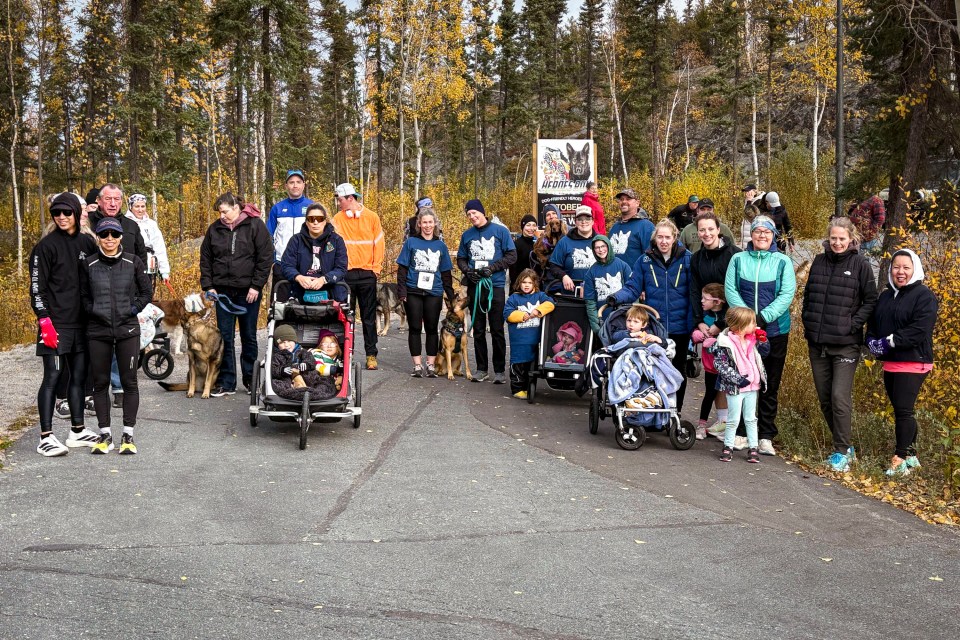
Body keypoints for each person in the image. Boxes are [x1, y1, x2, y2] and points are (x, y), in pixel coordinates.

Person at [800, 217, 877, 471]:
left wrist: (852, 325)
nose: (837, 242)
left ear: (851, 239)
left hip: (846, 344)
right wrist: (808, 323)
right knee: (824, 399)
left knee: (839, 397)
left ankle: (841, 452)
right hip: (818, 343)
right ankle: (845, 445)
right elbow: (809, 294)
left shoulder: (860, 265)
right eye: (833, 238)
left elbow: (871, 301)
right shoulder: (820, 261)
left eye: (842, 238)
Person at [30, 194, 101, 456]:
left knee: (79, 378)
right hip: (55, 324)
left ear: (75, 213)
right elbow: (37, 287)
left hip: (82, 323)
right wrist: (43, 319)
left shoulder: (87, 242)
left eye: (66, 213)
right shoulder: (45, 247)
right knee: (52, 377)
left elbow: (99, 277)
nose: (61, 217)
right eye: (56, 213)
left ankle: (78, 430)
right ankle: (45, 436)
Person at [724, 215, 796, 456]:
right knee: (744, 383)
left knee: (769, 384)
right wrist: (747, 321)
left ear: (773, 235)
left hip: (774, 331)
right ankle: (743, 433)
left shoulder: (782, 261)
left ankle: (765, 435)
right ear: (751, 235)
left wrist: (762, 318)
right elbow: (731, 290)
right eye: (757, 231)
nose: (762, 235)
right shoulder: (738, 259)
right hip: (743, 334)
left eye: (767, 232)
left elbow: (787, 294)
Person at [80, 217, 153, 455]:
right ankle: (105, 434)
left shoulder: (133, 261)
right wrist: (94, 311)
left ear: (121, 236)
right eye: (104, 235)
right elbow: (82, 296)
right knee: (100, 383)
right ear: (98, 238)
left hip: (127, 330)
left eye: (113, 234)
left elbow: (146, 292)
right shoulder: (89, 264)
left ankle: (128, 435)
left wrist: (131, 310)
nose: (109, 239)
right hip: (98, 331)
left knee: (129, 382)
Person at [609, 219, 694, 414]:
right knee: (653, 369)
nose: (663, 241)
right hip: (655, 326)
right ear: (655, 238)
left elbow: (694, 292)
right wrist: (616, 297)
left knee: (677, 369)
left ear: (674, 238)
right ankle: (653, 410)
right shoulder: (644, 260)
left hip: (680, 326)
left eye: (667, 237)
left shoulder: (687, 259)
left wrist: (695, 322)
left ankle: (675, 411)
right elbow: (632, 287)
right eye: (660, 237)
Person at [866, 249, 938, 477]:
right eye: (896, 267)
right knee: (901, 410)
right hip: (891, 362)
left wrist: (890, 341)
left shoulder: (924, 296)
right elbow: (874, 323)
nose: (901, 272)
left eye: (906, 267)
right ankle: (912, 456)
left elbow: (919, 329)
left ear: (914, 269)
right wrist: (871, 341)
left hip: (914, 360)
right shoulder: (886, 296)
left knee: (903, 411)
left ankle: (899, 458)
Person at [200, 192, 273, 397]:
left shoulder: (255, 226)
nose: (222, 215)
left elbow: (265, 257)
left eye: (225, 211)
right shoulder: (214, 229)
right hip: (222, 292)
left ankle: (251, 380)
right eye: (220, 212)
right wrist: (209, 286)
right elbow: (205, 259)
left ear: (236, 207)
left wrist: (256, 286)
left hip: (248, 291)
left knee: (249, 336)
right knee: (225, 337)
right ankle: (227, 381)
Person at [89, 183, 149, 408]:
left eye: (117, 199)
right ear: (100, 201)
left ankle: (120, 387)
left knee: (123, 349)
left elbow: (142, 258)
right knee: (98, 350)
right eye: (108, 199)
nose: (113, 203)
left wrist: (141, 302)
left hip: (128, 299)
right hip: (98, 299)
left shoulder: (131, 226)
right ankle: (94, 393)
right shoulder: (88, 224)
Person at [456, 198, 517, 384]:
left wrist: (493, 267)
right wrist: (468, 271)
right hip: (476, 287)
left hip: (495, 286)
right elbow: (461, 258)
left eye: (474, 213)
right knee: (479, 328)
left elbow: (511, 255)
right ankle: (482, 369)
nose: (472, 216)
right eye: (469, 214)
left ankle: (499, 370)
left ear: (482, 212)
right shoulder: (467, 235)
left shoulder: (500, 231)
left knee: (497, 329)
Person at [396, 207, 455, 378]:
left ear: (435, 223)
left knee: (431, 328)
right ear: (419, 224)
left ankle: (430, 364)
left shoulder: (440, 246)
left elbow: (446, 273)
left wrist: (450, 296)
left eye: (430, 222)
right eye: (424, 223)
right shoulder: (411, 243)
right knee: (414, 327)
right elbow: (402, 269)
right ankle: (417, 365)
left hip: (434, 292)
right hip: (413, 290)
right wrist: (402, 291)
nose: (428, 226)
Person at [332, 183, 385, 370]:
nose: (338, 203)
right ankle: (346, 354)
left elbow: (379, 244)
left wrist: (375, 270)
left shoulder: (372, 217)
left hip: (367, 275)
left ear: (350, 198)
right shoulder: (337, 219)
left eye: (340, 200)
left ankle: (371, 355)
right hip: (345, 276)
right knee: (346, 317)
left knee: (369, 317)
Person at [711, 307, 771, 464]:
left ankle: (753, 447)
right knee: (733, 419)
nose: (755, 326)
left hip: (752, 386)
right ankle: (728, 446)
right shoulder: (724, 342)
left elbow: (764, 353)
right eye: (752, 323)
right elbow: (720, 365)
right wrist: (737, 379)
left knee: (751, 418)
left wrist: (763, 340)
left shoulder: (753, 339)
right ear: (739, 326)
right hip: (736, 387)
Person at [280, 202, 348, 303]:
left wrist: (324, 279)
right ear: (306, 222)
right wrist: (298, 277)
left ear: (325, 221)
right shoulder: (296, 240)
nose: (315, 222)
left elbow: (341, 268)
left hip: (331, 293)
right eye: (311, 219)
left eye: (319, 219)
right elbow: (286, 265)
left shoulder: (336, 240)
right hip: (301, 293)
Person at [689, 211, 741, 340]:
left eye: (711, 229)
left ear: (718, 229)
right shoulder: (696, 258)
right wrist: (699, 321)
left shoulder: (735, 255)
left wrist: (721, 323)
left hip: (732, 321)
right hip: (707, 321)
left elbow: (739, 291)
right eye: (702, 230)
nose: (707, 234)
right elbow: (694, 290)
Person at [504, 269, 555, 399]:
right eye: (523, 282)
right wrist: (523, 315)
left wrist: (537, 311)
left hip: (535, 340)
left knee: (531, 366)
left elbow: (551, 303)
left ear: (534, 284)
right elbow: (508, 314)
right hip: (519, 340)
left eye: (529, 283)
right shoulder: (514, 298)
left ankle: (528, 387)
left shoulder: (540, 296)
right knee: (518, 364)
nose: (526, 285)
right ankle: (517, 388)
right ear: (519, 283)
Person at [693, 283, 729, 439]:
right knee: (710, 393)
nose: (702, 301)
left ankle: (726, 425)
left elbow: (731, 333)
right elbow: (696, 329)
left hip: (726, 363)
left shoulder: (727, 318)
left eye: (705, 298)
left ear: (717, 301)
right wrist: (697, 334)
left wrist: (716, 339)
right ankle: (701, 425)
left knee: (728, 393)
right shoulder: (703, 316)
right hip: (710, 365)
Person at [267, 169, 314, 286]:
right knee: (280, 303)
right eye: (291, 182)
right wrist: (273, 261)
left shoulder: (311, 206)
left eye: (298, 182)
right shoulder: (277, 208)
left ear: (303, 185)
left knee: (305, 303)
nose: (295, 185)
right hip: (281, 263)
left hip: (307, 264)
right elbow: (268, 236)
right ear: (286, 186)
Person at [270, 324, 337, 401]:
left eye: (289, 341)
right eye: (282, 342)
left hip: (309, 379)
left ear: (295, 341)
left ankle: (311, 392)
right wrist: (281, 370)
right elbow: (272, 369)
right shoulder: (277, 356)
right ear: (277, 345)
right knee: (274, 384)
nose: (287, 345)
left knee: (326, 381)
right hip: (288, 382)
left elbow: (312, 361)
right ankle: (301, 393)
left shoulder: (302, 352)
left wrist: (306, 364)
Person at [583, 235, 632, 335]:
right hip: (604, 320)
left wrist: (633, 318)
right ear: (594, 250)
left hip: (624, 318)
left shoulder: (623, 266)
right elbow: (590, 302)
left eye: (603, 246)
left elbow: (632, 292)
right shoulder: (591, 272)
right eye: (597, 247)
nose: (601, 250)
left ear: (608, 246)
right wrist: (596, 326)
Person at [547, 206, 598, 291]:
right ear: (575, 222)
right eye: (580, 219)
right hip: (571, 293)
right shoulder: (564, 242)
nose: (584, 222)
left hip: (596, 291)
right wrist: (563, 276)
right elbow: (554, 265)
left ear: (592, 221)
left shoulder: (601, 240)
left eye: (587, 219)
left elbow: (610, 263)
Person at [125, 193, 170, 285]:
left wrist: (164, 271)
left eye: (143, 206)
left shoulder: (151, 224)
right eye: (137, 206)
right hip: (132, 264)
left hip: (150, 264)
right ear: (130, 207)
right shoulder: (126, 223)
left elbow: (159, 247)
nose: (140, 209)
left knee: (147, 291)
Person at [607, 187, 655, 269]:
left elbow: (651, 257)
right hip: (614, 278)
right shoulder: (615, 227)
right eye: (621, 199)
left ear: (637, 203)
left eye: (628, 199)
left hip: (635, 279)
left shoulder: (646, 226)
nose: (624, 202)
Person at [509, 214, 539, 290]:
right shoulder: (516, 245)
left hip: (535, 286)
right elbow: (513, 270)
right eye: (528, 225)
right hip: (520, 287)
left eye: (534, 225)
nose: (531, 228)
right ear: (523, 227)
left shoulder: (538, 244)